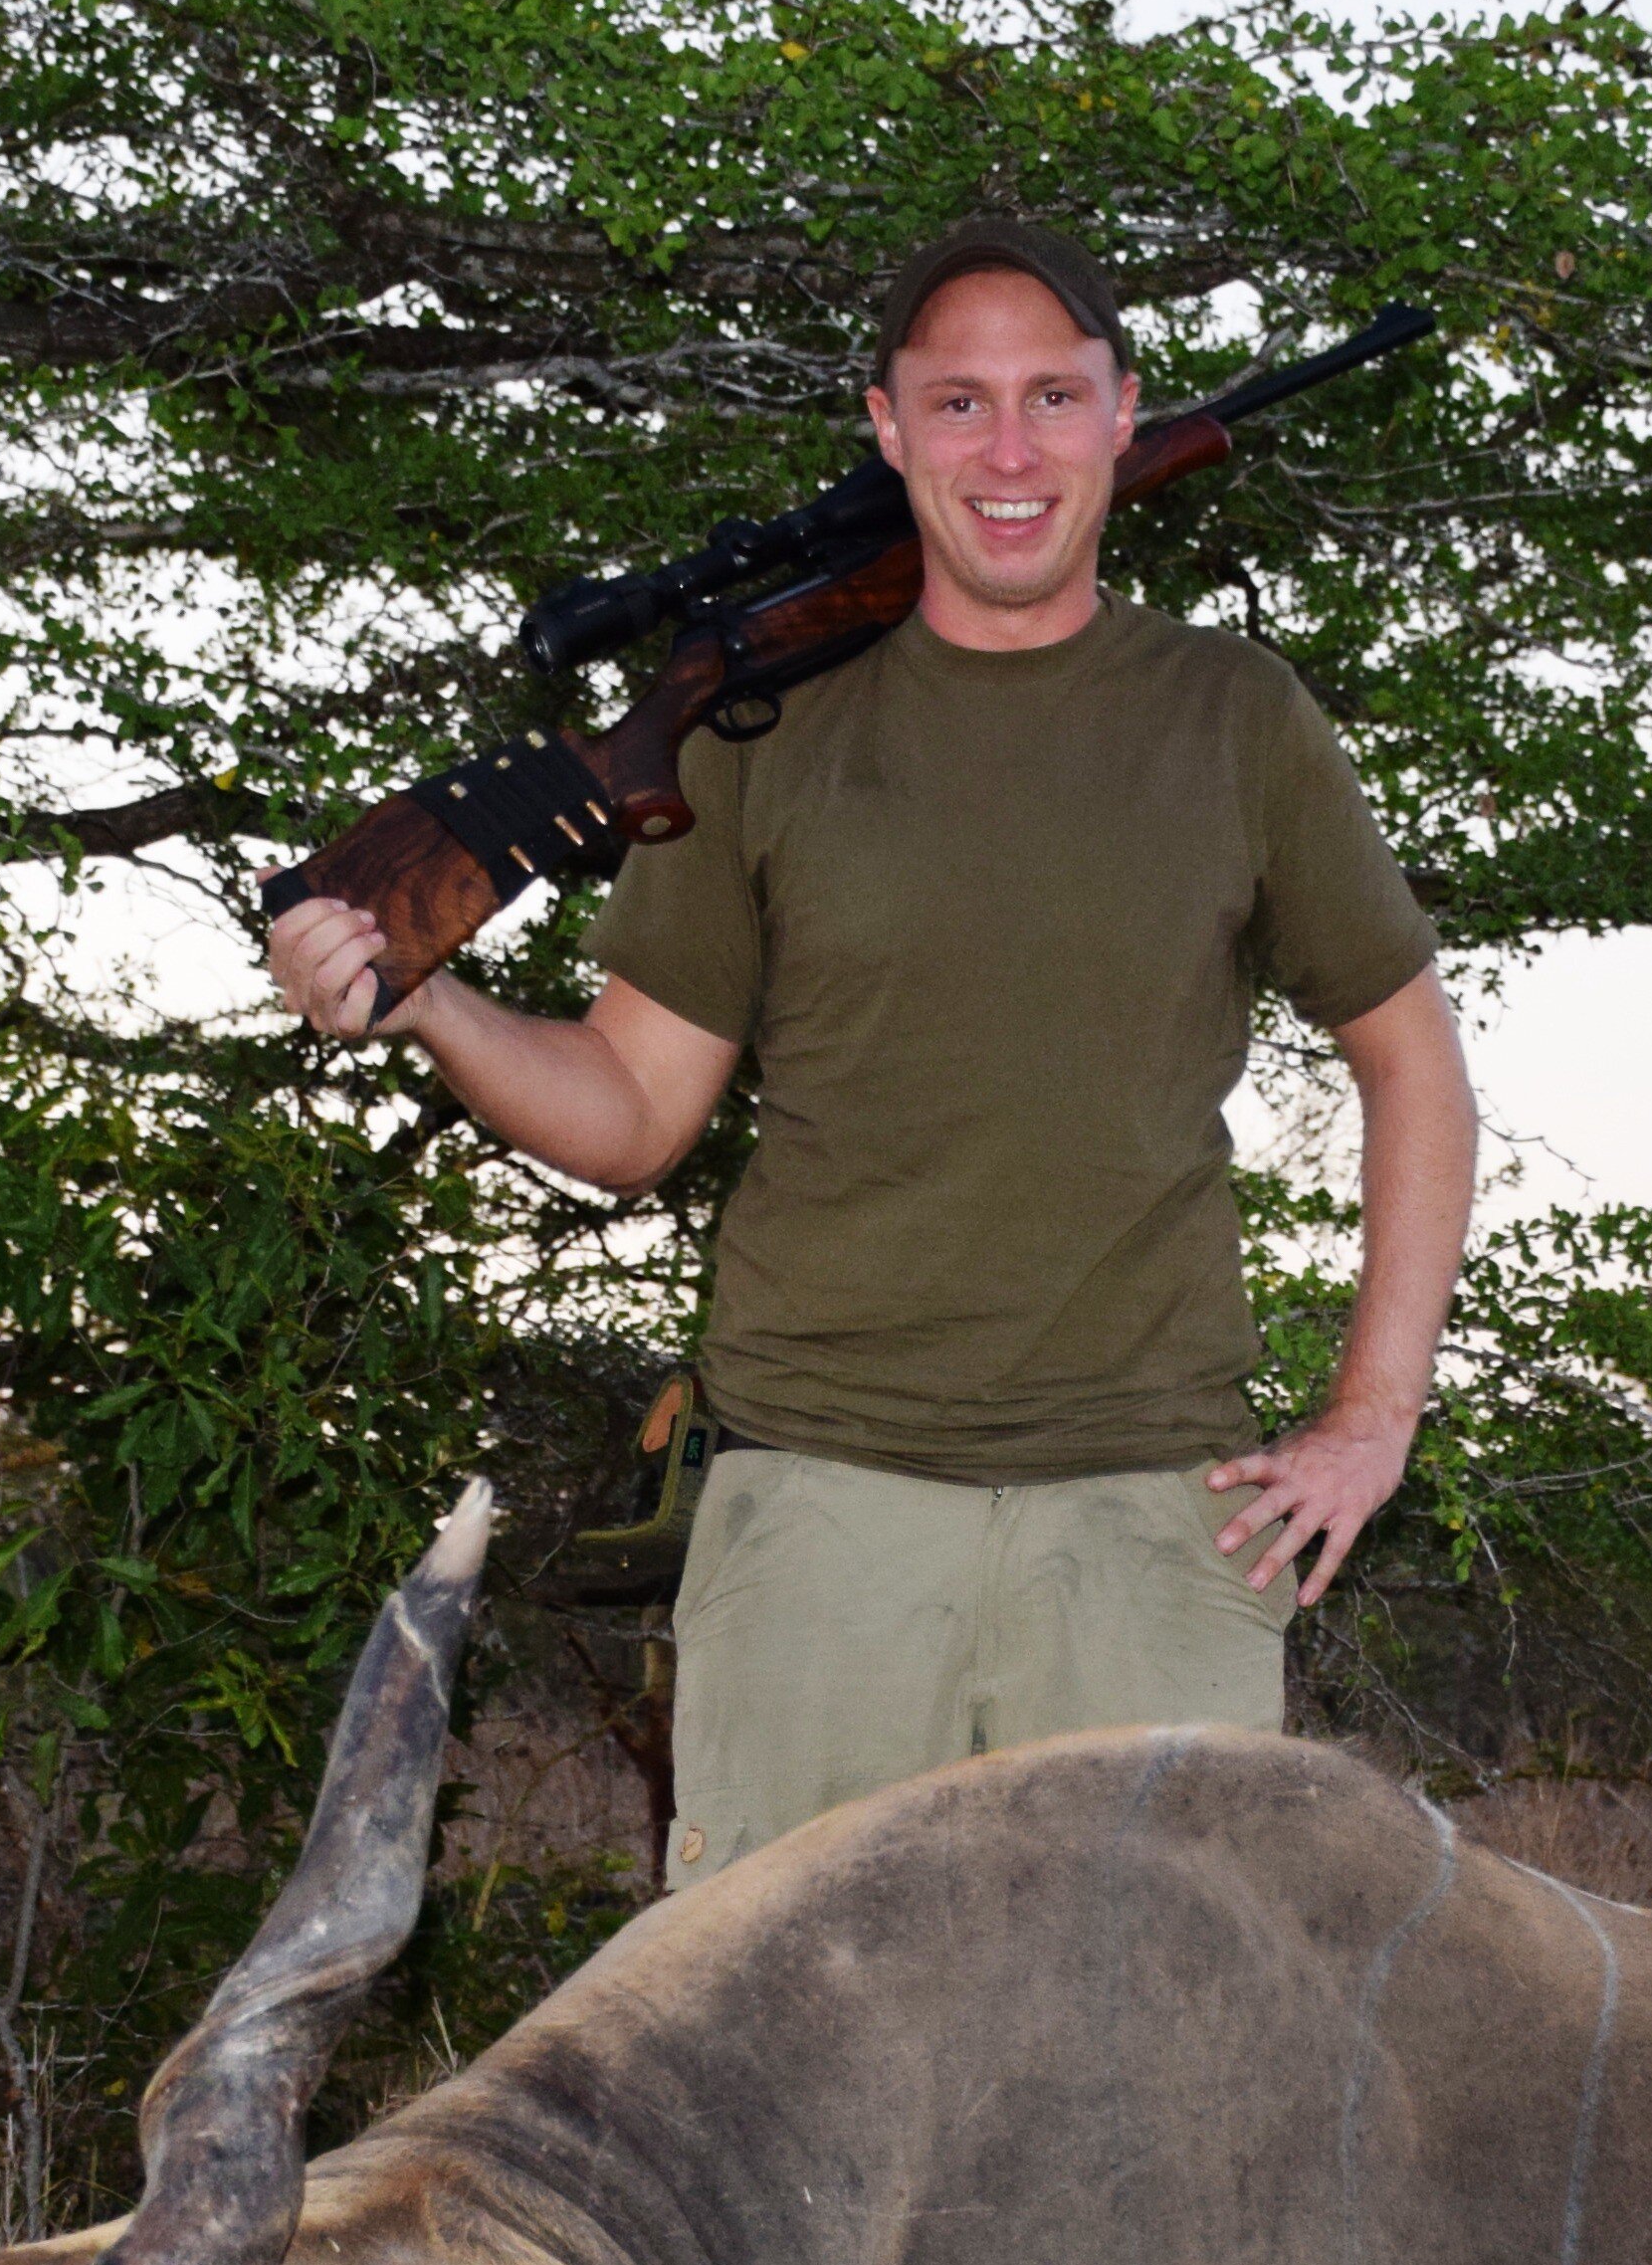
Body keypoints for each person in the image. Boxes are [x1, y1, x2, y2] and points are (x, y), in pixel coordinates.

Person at [264, 217, 1478, 1889]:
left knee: (1161, 2104)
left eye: (1053, 397)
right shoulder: (747, 729)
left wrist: (1373, 1417)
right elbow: (629, 1115)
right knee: (780, 2097)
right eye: (957, 402)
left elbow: (1412, 1063)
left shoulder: (1236, 715)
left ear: (1124, 419)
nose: (1009, 450)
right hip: (814, 1512)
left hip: (1149, 1511)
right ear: (886, 429)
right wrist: (429, 1003)